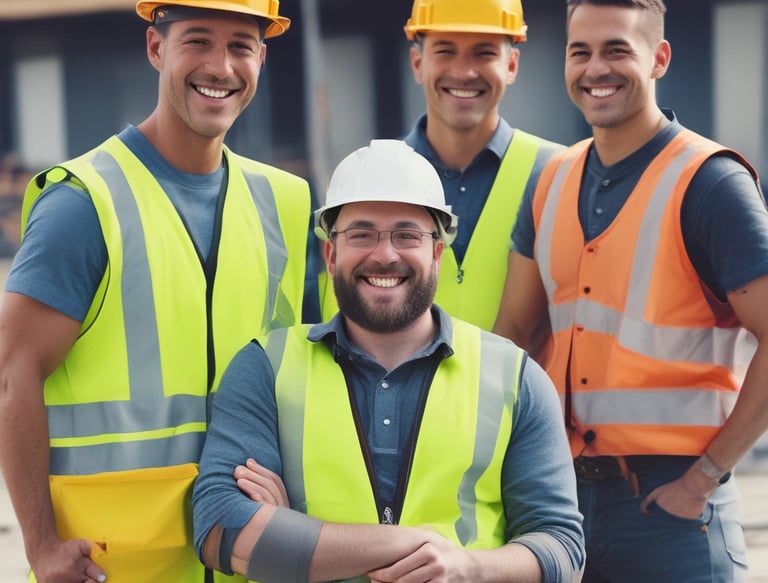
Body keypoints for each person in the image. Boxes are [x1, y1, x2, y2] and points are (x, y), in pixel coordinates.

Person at [0, 1, 310, 581]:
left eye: (241, 45)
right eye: (198, 41)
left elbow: (302, 374)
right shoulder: (84, 203)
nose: (221, 66)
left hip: (247, 555)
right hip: (115, 566)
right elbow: (14, 375)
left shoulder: (287, 205)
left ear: (262, 59)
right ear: (155, 48)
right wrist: (40, 545)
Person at [193, 139, 585, 582]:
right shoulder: (266, 368)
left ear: (436, 252)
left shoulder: (515, 377)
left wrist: (464, 566)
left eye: (407, 235)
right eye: (362, 234)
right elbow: (220, 529)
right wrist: (413, 546)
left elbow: (562, 552)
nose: (384, 254)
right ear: (331, 253)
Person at [493, 1, 768, 581]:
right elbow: (514, 335)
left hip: (675, 510)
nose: (597, 68)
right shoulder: (549, 182)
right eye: (580, 52)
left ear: (659, 57)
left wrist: (704, 478)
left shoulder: (711, 182)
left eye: (617, 49)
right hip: (564, 505)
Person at [309, 0, 565, 331]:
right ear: (417, 62)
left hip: (519, 383)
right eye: (445, 51)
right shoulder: (362, 177)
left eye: (484, 52)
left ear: (511, 65)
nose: (463, 71)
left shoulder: (558, 173)